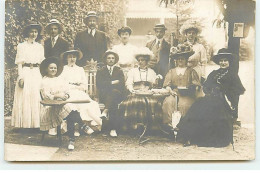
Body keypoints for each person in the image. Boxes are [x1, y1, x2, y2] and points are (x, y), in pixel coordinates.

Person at [176, 48, 245, 147]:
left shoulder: (233, 75)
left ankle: (208, 139)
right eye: (221, 60)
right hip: (210, 98)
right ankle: (191, 136)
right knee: (197, 106)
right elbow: (206, 86)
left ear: (229, 62)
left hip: (223, 101)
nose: (223, 62)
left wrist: (224, 92)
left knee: (213, 110)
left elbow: (236, 91)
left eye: (225, 60)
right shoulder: (214, 73)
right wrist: (210, 90)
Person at [39, 58, 93, 150]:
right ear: (47, 69)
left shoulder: (59, 79)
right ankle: (81, 127)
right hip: (50, 107)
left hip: (61, 105)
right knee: (71, 112)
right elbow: (45, 97)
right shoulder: (44, 81)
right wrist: (57, 96)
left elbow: (66, 91)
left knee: (71, 112)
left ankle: (72, 140)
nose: (53, 70)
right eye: (51, 68)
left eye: (55, 68)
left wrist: (66, 96)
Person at [119, 47, 162, 132]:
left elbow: (154, 86)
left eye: (143, 60)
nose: (140, 62)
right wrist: (132, 90)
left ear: (147, 61)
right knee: (136, 101)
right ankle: (134, 126)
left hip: (148, 94)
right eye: (139, 60)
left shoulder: (151, 72)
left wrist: (156, 82)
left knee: (154, 103)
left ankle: (150, 126)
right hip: (135, 93)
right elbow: (129, 83)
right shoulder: (133, 71)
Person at [59, 48, 103, 132]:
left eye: (74, 57)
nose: (72, 59)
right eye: (70, 57)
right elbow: (61, 84)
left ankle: (83, 126)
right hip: (68, 92)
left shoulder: (80, 69)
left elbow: (84, 85)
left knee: (90, 104)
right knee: (73, 104)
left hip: (79, 92)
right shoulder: (63, 69)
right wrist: (71, 87)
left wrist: (78, 87)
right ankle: (76, 127)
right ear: (66, 58)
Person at [11, 22, 45, 128]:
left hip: (36, 72)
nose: (34, 34)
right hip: (26, 71)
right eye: (32, 31)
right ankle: (24, 125)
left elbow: (41, 62)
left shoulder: (40, 46)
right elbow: (20, 64)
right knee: (24, 96)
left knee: (36, 96)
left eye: (36, 32)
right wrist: (21, 77)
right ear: (28, 33)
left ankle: (36, 124)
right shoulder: (21, 46)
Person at [162, 44, 201, 129]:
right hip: (174, 93)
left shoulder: (191, 71)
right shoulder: (171, 71)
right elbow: (166, 85)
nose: (180, 60)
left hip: (187, 94)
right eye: (178, 59)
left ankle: (184, 127)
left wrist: (191, 88)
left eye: (182, 59)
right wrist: (170, 91)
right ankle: (170, 126)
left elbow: (196, 84)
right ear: (176, 60)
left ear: (186, 60)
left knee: (184, 105)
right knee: (168, 102)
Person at [96, 50, 126, 137]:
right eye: (109, 58)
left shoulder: (119, 70)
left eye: (113, 58)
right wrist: (113, 83)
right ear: (105, 60)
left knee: (114, 93)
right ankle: (113, 129)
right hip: (104, 95)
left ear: (115, 60)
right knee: (113, 100)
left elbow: (122, 84)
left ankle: (105, 111)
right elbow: (99, 84)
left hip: (118, 94)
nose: (111, 60)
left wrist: (107, 84)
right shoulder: (101, 71)